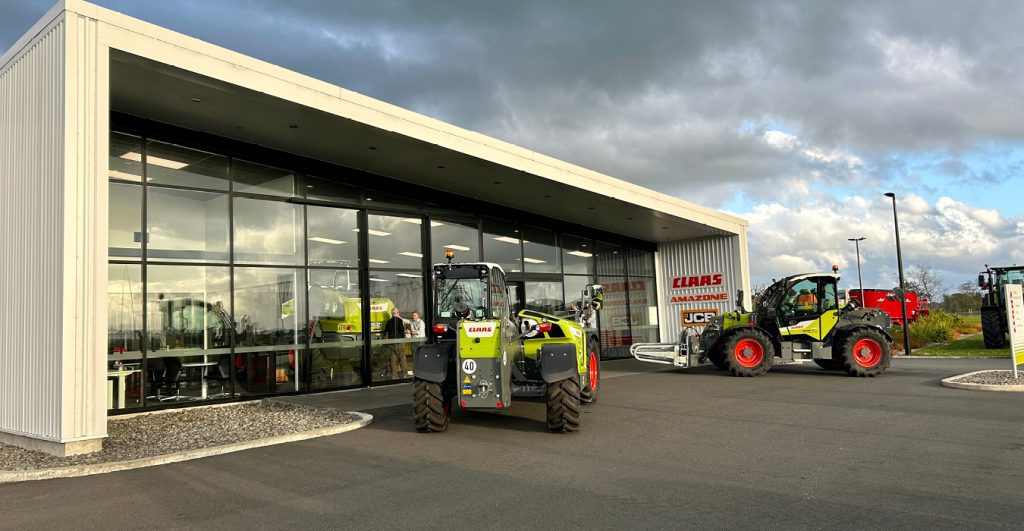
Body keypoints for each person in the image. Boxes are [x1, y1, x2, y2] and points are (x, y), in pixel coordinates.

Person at [382, 308, 409, 379]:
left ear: (392, 314)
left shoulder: (388, 321)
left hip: (391, 342)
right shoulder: (400, 320)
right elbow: (402, 331)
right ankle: (405, 374)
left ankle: (394, 375)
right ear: (397, 313)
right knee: (402, 358)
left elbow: (386, 332)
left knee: (393, 359)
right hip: (399, 342)